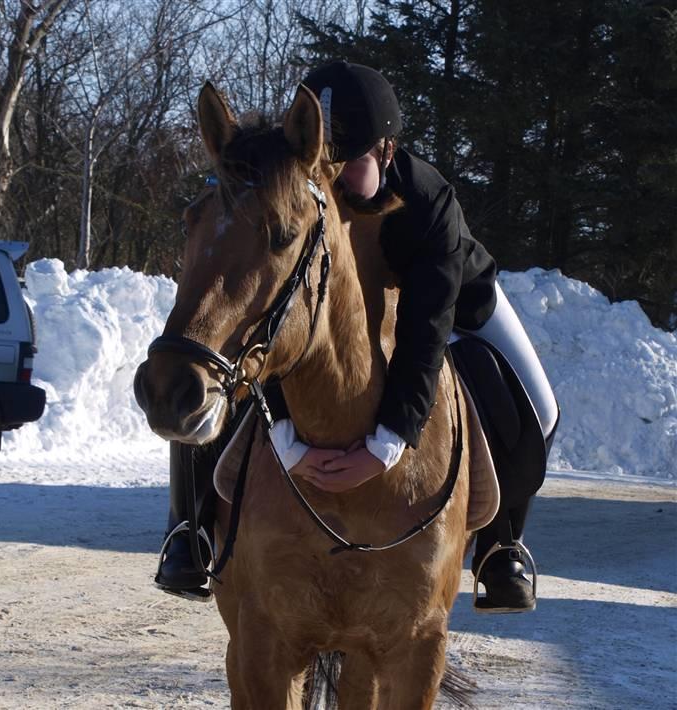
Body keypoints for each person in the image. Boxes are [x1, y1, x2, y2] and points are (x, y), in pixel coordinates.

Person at [157, 61, 559, 612]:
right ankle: (191, 528)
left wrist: (387, 444)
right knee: (215, 368)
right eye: (320, 159)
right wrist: (287, 440)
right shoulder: (293, 188)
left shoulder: (428, 203)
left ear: (388, 152)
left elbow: (425, 333)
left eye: (345, 162)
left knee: (539, 404)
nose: (328, 176)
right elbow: (281, 322)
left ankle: (500, 544)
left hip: (451, 305)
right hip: (329, 310)